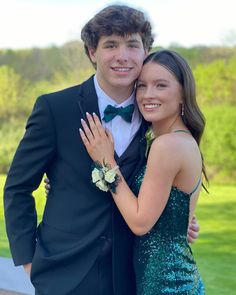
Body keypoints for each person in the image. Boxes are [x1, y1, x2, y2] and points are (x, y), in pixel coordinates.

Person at [3, 4, 199, 295]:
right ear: (92, 53)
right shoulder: (55, 108)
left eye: (132, 44)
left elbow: (168, 179)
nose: (122, 55)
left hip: (134, 276)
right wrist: (29, 260)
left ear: (145, 51)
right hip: (63, 272)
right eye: (110, 45)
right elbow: (17, 188)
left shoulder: (156, 114)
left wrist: (178, 219)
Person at [79, 49, 207, 294]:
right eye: (141, 85)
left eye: (161, 85)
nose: (148, 95)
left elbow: (140, 223)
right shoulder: (175, 140)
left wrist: (106, 162)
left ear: (182, 93)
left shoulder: (167, 145)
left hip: (166, 285)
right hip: (170, 278)